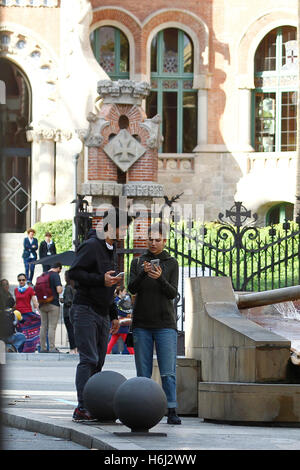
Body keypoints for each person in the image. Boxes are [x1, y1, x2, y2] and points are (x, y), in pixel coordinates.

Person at [68, 207, 132, 422]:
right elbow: (74, 273)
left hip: (103, 312)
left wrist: (113, 314)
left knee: (99, 361)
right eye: (122, 227)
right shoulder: (92, 245)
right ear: (109, 227)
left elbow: (109, 284)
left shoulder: (111, 249)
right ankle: (81, 408)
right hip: (85, 309)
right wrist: (99, 280)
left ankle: (93, 405)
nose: (124, 232)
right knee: (88, 359)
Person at [128, 222, 181, 425]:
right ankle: (143, 408)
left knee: (168, 371)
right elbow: (132, 288)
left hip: (165, 324)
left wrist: (159, 278)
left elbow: (172, 293)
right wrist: (143, 272)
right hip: (142, 323)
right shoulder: (138, 262)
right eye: (150, 239)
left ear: (164, 241)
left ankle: (172, 409)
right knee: (143, 372)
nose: (153, 242)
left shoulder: (171, 263)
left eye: (157, 239)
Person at [38, 262, 63, 353]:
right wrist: (61, 289)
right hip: (53, 304)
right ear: (58, 268)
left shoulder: (42, 275)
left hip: (42, 304)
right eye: (60, 270)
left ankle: (42, 348)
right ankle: (52, 348)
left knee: (43, 326)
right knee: (52, 327)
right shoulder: (55, 275)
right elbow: (59, 290)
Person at [14, 273, 41, 353]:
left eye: (23, 280)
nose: (21, 281)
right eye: (19, 280)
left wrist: (38, 312)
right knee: (20, 332)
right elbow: (16, 302)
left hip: (28, 314)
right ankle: (20, 349)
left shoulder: (30, 289)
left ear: (25, 280)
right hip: (18, 315)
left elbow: (34, 302)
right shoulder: (16, 290)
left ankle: (29, 349)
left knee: (28, 333)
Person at [107, 286, 134, 355]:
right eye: (124, 291)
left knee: (113, 340)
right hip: (122, 323)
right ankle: (133, 353)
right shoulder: (117, 301)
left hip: (118, 323)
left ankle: (106, 353)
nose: (125, 293)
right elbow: (122, 311)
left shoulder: (117, 300)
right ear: (120, 292)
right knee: (127, 341)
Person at [60, 270, 77, 354]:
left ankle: (72, 349)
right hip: (75, 312)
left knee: (70, 331)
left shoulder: (68, 288)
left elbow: (68, 301)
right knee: (74, 330)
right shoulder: (75, 287)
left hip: (68, 313)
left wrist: (63, 300)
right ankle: (76, 348)